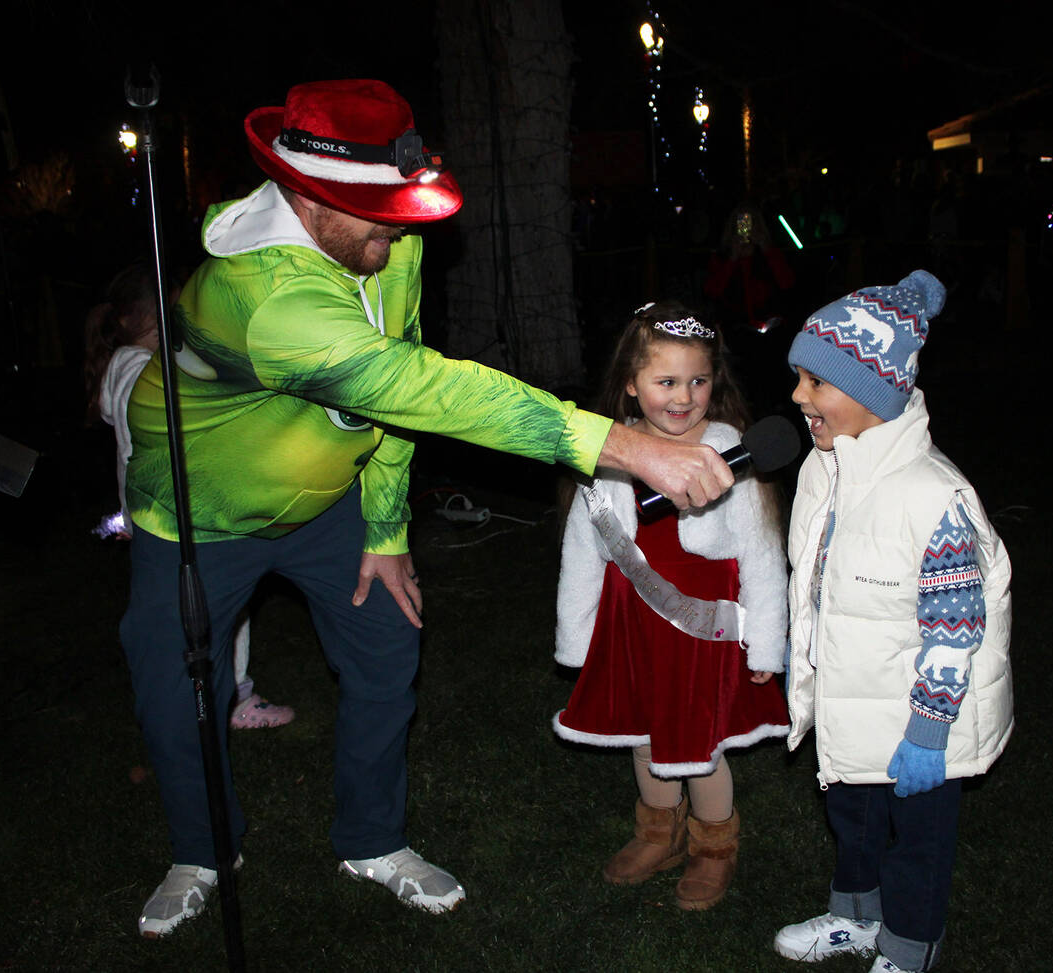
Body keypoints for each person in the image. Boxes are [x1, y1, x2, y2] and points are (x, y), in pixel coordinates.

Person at [121, 80, 733, 937]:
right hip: (196, 512)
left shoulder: (384, 236)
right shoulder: (263, 296)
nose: (396, 232)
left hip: (330, 498)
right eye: (374, 215)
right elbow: (426, 389)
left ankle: (371, 839)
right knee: (174, 690)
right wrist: (629, 446)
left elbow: (395, 385)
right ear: (306, 196)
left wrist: (383, 527)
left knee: (386, 645)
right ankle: (202, 847)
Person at [772, 271, 1013, 972]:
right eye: (798, 378)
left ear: (875, 390)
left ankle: (910, 946)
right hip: (854, 699)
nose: (797, 397)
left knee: (917, 841)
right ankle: (856, 915)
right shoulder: (827, 465)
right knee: (854, 821)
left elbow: (955, 626)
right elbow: (817, 578)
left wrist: (929, 729)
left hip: (920, 723)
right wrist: (804, 655)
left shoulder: (932, 497)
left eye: (816, 382)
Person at [553, 301, 789, 911]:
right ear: (631, 386)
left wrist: (766, 643)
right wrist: (577, 642)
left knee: (698, 741)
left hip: (701, 633)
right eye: (665, 382)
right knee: (642, 733)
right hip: (631, 627)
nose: (683, 397)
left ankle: (714, 846)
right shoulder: (608, 452)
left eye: (698, 380)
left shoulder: (730, 449)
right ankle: (658, 830)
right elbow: (584, 551)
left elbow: (763, 555)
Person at [83, 264, 295, 731]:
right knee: (221, 604)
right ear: (149, 322)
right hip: (178, 516)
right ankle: (234, 697)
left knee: (193, 611)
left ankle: (207, 696)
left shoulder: (119, 367)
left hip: (153, 515)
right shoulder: (144, 371)